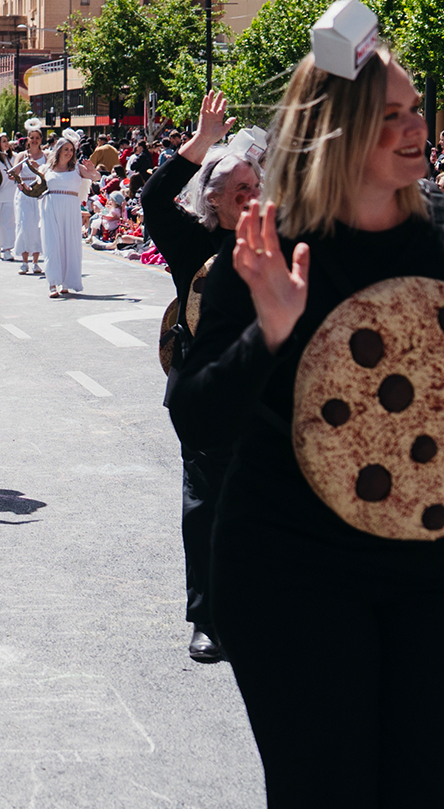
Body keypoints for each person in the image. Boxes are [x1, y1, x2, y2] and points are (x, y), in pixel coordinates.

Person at [172, 39, 444, 806]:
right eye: (389, 116)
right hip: (291, 566)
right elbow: (196, 418)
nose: (415, 128)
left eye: (415, 110)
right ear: (334, 130)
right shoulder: (266, 246)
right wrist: (271, 331)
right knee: (328, 789)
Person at [142, 89, 260, 664]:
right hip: (206, 394)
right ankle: (208, 617)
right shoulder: (195, 242)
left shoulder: (280, 242)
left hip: (271, 395)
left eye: (257, 187)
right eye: (241, 190)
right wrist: (201, 143)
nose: (252, 196)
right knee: (207, 504)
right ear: (213, 199)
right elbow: (153, 197)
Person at [39, 136, 97, 298]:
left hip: (71, 208)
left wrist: (92, 171)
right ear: (58, 151)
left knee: (69, 244)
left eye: (71, 150)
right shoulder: (46, 169)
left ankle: (67, 282)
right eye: (66, 149)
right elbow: (34, 188)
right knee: (52, 243)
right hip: (50, 207)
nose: (69, 153)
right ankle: (52, 283)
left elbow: (96, 178)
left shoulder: (77, 169)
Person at [12, 126, 48, 276]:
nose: (34, 141)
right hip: (24, 193)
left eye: (37, 138)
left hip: (40, 193)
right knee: (24, 225)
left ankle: (36, 262)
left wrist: (38, 167)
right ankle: (24, 261)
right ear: (28, 139)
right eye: (31, 138)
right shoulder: (22, 155)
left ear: (41, 140)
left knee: (38, 226)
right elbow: (14, 173)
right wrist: (19, 180)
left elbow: (49, 172)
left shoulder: (46, 156)